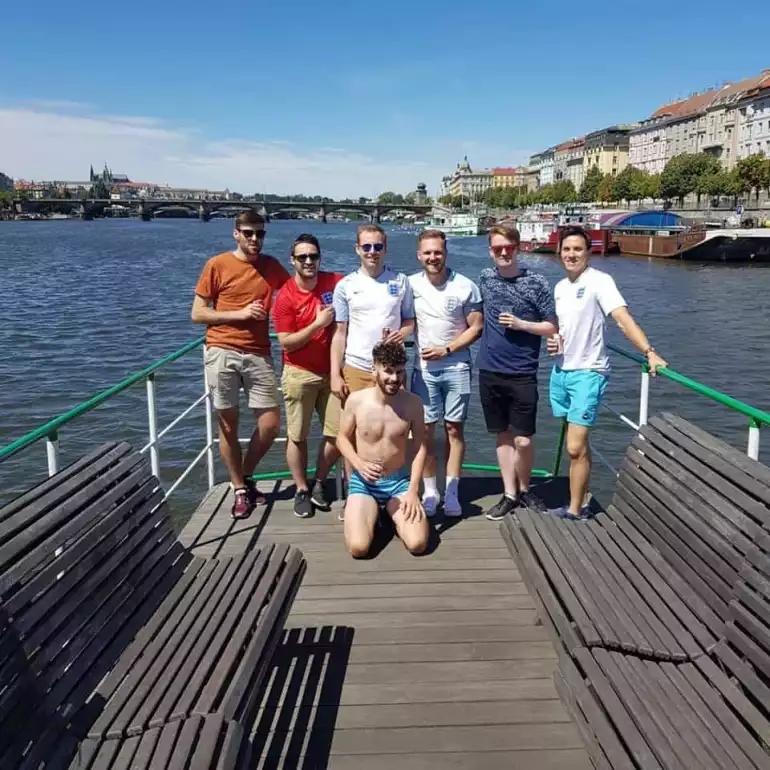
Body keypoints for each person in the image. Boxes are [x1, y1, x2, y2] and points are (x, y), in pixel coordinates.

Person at [547, 226, 668, 519]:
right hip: (561, 370)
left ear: (589, 252)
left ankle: (575, 510)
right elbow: (564, 327)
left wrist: (649, 352)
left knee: (574, 446)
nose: (571, 254)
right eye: (567, 249)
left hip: (589, 372)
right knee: (579, 445)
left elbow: (622, 319)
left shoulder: (601, 282)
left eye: (578, 249)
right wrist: (556, 340)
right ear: (559, 252)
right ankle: (582, 498)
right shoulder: (560, 287)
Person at [191, 211, 289, 519]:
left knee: (271, 424)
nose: (255, 239)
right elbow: (197, 313)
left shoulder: (271, 266)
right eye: (248, 233)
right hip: (222, 351)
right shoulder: (217, 265)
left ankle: (244, 475)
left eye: (260, 233)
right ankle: (239, 489)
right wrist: (240, 314)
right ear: (236, 234)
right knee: (228, 426)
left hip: (259, 351)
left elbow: (296, 291)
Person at [476, 225, 558, 521]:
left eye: (508, 247)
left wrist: (522, 324)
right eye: (497, 248)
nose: (503, 253)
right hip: (489, 369)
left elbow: (551, 326)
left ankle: (525, 489)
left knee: (523, 439)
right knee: (502, 436)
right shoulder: (484, 278)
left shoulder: (536, 283)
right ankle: (510, 494)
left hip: (523, 371)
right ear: (490, 252)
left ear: (518, 248)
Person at [409, 229, 483, 517]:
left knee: (454, 429)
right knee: (425, 432)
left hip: (457, 367)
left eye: (437, 252)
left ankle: (452, 491)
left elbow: (476, 326)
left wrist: (448, 349)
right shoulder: (410, 284)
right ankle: (430, 491)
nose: (432, 257)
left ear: (445, 254)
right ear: (419, 255)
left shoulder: (466, 286)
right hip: (423, 370)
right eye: (427, 252)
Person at [336, 340, 430, 558]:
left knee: (418, 544)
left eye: (399, 372)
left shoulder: (413, 404)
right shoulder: (356, 401)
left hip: (397, 482)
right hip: (364, 483)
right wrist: (359, 464)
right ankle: (371, 513)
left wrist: (414, 491)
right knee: (358, 548)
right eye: (388, 371)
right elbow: (341, 438)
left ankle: (389, 513)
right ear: (374, 369)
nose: (394, 378)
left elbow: (420, 448)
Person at [272, 234, 343, 518]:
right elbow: (286, 342)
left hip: (333, 372)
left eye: (313, 256)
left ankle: (320, 482)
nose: (309, 261)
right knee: (297, 435)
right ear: (293, 261)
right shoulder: (285, 296)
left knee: (338, 434)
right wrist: (317, 324)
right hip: (299, 373)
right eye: (302, 257)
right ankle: (301, 489)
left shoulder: (335, 281)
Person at [330, 224, 415, 400]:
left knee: (394, 425)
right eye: (366, 247)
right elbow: (340, 334)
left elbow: (409, 321)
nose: (372, 252)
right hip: (356, 368)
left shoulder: (401, 281)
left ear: (385, 249)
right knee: (356, 425)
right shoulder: (345, 286)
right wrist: (335, 375)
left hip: (392, 371)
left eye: (378, 247)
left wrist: (401, 334)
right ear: (357, 249)